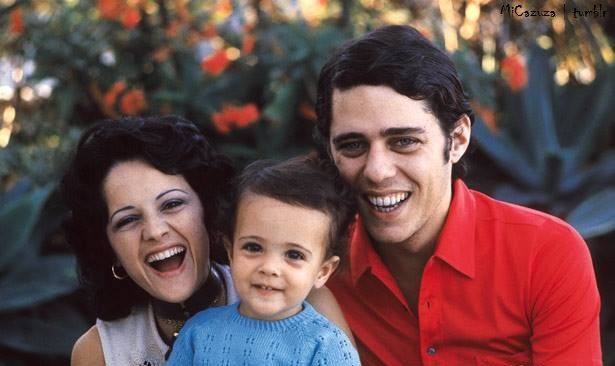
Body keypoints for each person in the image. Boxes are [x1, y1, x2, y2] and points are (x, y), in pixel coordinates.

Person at [314, 25, 602, 365]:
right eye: (352, 145)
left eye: (404, 141)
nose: (377, 170)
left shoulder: (546, 254)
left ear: (458, 139)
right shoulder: (312, 265)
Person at [62, 116, 351, 366]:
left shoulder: (296, 299)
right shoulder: (99, 353)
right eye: (127, 220)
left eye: (172, 204)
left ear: (207, 209)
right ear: (108, 248)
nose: (154, 231)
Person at [166, 155, 361, 365]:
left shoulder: (326, 347)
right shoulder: (199, 332)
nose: (269, 268)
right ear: (231, 252)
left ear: (322, 271)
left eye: (294, 255)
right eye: (253, 247)